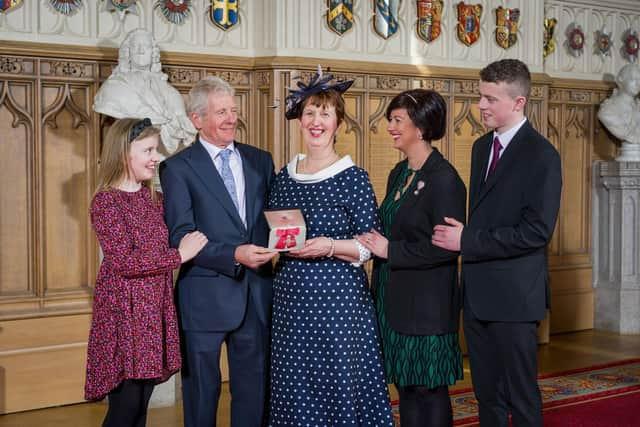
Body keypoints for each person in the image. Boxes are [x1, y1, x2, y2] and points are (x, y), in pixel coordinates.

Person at [432, 59, 562, 427]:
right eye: (480, 96)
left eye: (490, 98)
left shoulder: (543, 156)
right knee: (486, 397)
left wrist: (467, 239)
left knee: (521, 399)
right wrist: (465, 234)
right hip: (477, 294)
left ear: (518, 102)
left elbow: (536, 232)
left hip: (516, 298)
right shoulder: (479, 147)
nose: (481, 106)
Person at [267, 67, 394, 426]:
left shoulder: (352, 177)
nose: (316, 121)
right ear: (300, 120)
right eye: (310, 113)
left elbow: (369, 245)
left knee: (336, 384)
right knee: (294, 386)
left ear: (339, 122)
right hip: (291, 301)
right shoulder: (284, 176)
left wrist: (330, 246)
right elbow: (278, 231)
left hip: (338, 303)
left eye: (326, 113)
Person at [159, 76, 276, 427]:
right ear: (197, 119)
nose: (231, 118)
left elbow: (271, 220)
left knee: (254, 393)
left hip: (256, 295)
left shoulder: (260, 160)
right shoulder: (177, 168)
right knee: (201, 396)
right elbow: (180, 235)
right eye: (221, 111)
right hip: (203, 297)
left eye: (233, 110)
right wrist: (233, 255)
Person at [84, 118, 207, 427]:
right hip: (125, 317)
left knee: (140, 407)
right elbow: (124, 262)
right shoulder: (106, 202)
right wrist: (179, 256)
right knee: (125, 408)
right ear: (125, 153)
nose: (156, 157)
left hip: (153, 314)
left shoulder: (153, 199)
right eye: (148, 150)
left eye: (156, 149)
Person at [356, 89, 466, 427]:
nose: (390, 126)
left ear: (420, 128)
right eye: (391, 119)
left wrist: (391, 250)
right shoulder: (400, 173)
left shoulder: (444, 179)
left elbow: (445, 246)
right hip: (393, 300)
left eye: (397, 120)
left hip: (427, 307)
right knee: (405, 387)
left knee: (428, 389)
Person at [94, 28, 196, 154]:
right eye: (135, 46)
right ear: (128, 51)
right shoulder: (113, 87)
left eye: (146, 46)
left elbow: (183, 127)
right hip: (130, 155)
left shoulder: (169, 92)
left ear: (153, 52)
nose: (140, 50)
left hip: (163, 159)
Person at [598, 63, 640, 144]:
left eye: (639, 80)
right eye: (633, 79)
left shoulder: (638, 106)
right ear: (620, 80)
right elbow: (625, 134)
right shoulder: (607, 110)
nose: (638, 84)